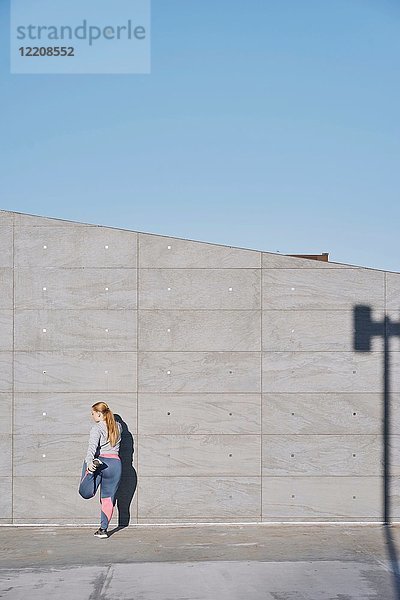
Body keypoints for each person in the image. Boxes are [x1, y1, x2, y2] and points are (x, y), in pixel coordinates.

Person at [78, 402, 122, 538]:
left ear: (99, 413)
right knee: (108, 498)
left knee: (85, 492)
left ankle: (91, 471)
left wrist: (89, 462)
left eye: (93, 413)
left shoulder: (96, 428)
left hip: (102, 460)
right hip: (115, 464)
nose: (92, 416)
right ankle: (103, 530)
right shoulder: (118, 426)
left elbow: (92, 447)